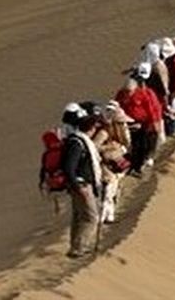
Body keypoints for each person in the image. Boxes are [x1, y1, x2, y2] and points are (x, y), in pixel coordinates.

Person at [61, 108, 102, 257]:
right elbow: (69, 167)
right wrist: (78, 186)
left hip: (81, 185)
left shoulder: (79, 141)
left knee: (79, 216)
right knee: (91, 217)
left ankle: (75, 247)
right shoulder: (77, 143)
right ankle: (79, 248)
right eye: (94, 128)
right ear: (90, 128)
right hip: (82, 186)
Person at [115, 63, 163, 176]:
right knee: (130, 146)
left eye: (130, 92)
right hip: (126, 122)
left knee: (142, 146)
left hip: (143, 124)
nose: (129, 94)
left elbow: (152, 110)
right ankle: (130, 166)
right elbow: (117, 106)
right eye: (127, 92)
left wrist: (155, 124)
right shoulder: (121, 94)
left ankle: (138, 167)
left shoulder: (144, 95)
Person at [92, 102, 133, 225]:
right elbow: (93, 147)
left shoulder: (121, 132)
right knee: (108, 191)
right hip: (105, 166)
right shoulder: (104, 133)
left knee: (113, 191)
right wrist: (109, 147)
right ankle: (101, 217)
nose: (124, 125)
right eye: (121, 123)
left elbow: (127, 145)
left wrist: (121, 149)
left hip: (116, 166)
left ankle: (109, 215)